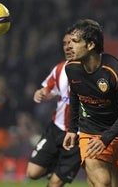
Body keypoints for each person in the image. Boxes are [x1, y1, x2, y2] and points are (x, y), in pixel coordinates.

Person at [62, 19, 118, 187]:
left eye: (75, 42)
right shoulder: (71, 68)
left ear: (90, 45)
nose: (69, 47)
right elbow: (75, 94)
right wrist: (72, 129)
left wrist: (106, 139)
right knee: (102, 182)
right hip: (90, 131)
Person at [26, 34, 81, 187]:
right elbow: (48, 89)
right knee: (32, 173)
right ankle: (56, 166)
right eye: (65, 43)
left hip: (78, 136)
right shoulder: (60, 69)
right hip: (56, 129)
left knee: (55, 184)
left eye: (72, 43)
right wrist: (41, 93)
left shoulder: (93, 72)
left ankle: (59, 172)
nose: (68, 46)